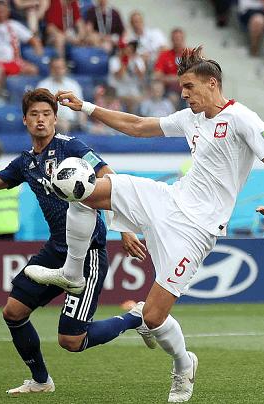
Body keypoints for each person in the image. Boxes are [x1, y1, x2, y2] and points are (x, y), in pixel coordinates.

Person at [26, 46, 264, 402]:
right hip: (166, 200)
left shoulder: (242, 119)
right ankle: (72, 272)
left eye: (189, 87)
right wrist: (86, 107)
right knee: (82, 189)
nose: (184, 94)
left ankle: (184, 365)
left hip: (197, 230)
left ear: (212, 83)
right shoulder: (191, 118)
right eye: (182, 88)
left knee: (152, 317)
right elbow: (138, 126)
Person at [0, 88, 153, 395]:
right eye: (34, 114)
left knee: (71, 340)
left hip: (88, 253)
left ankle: (135, 317)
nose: (40, 120)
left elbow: (112, 180)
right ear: (25, 120)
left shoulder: (72, 147)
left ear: (55, 119)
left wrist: (124, 229)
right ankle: (41, 381)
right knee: (13, 312)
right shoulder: (25, 163)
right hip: (56, 249)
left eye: (46, 114)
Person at [37, 57, 84, 133]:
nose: (58, 71)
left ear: (65, 69)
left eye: (60, 68)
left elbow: (81, 106)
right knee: (63, 127)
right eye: (55, 68)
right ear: (51, 69)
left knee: (99, 130)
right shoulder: (43, 86)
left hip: (73, 122)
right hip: (52, 122)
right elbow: (39, 108)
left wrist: (82, 123)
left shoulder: (73, 85)